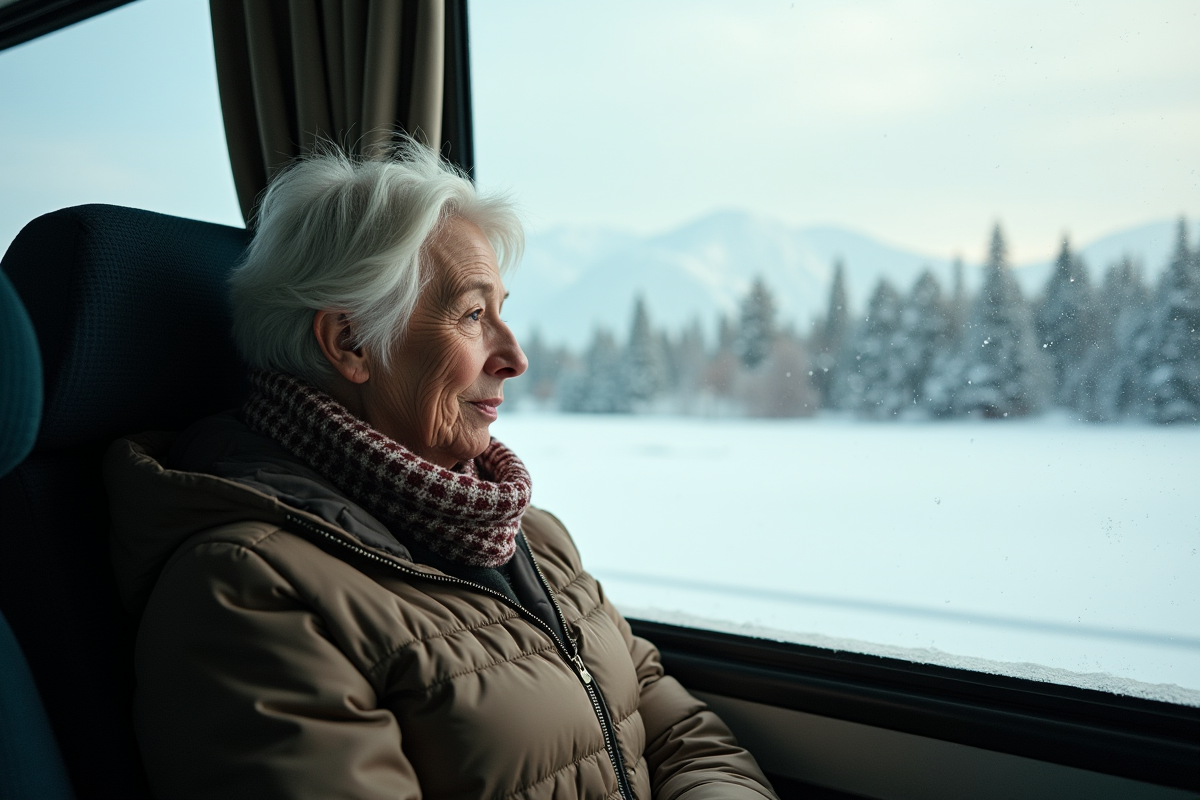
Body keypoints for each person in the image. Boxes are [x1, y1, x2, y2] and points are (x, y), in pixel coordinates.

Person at [104, 141, 777, 800]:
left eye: (503, 312)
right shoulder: (249, 588)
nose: (515, 357)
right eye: (474, 315)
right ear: (350, 342)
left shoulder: (531, 535)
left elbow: (675, 728)